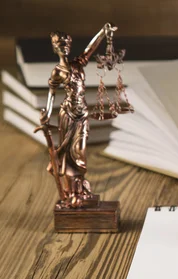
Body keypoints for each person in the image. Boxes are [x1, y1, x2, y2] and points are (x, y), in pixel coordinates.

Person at [38, 23, 117, 208]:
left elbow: (91, 48)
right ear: (55, 48)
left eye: (66, 44)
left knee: (80, 152)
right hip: (68, 115)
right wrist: (47, 114)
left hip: (82, 114)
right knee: (68, 155)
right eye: (59, 45)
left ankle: (80, 189)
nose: (63, 47)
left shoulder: (78, 63)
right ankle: (72, 193)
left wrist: (102, 33)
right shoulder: (57, 71)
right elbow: (51, 92)